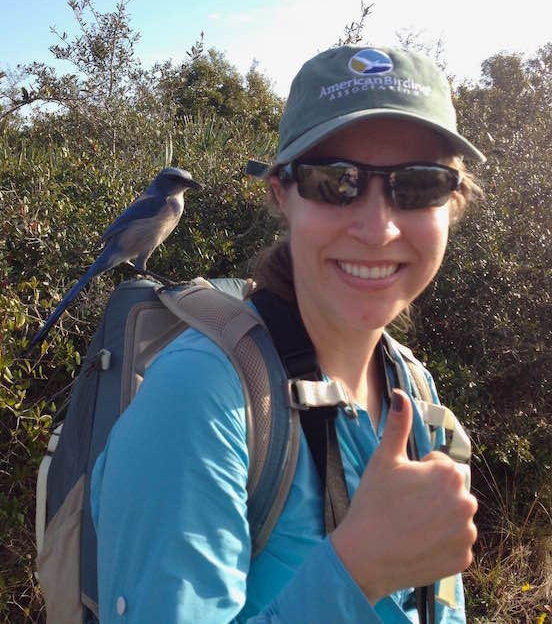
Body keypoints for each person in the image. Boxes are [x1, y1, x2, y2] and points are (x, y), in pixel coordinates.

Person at [90, 45, 483, 623]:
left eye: (420, 185)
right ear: (281, 192)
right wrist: (358, 573)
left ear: (452, 204)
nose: (378, 229)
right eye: (333, 181)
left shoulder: (415, 390)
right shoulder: (199, 401)